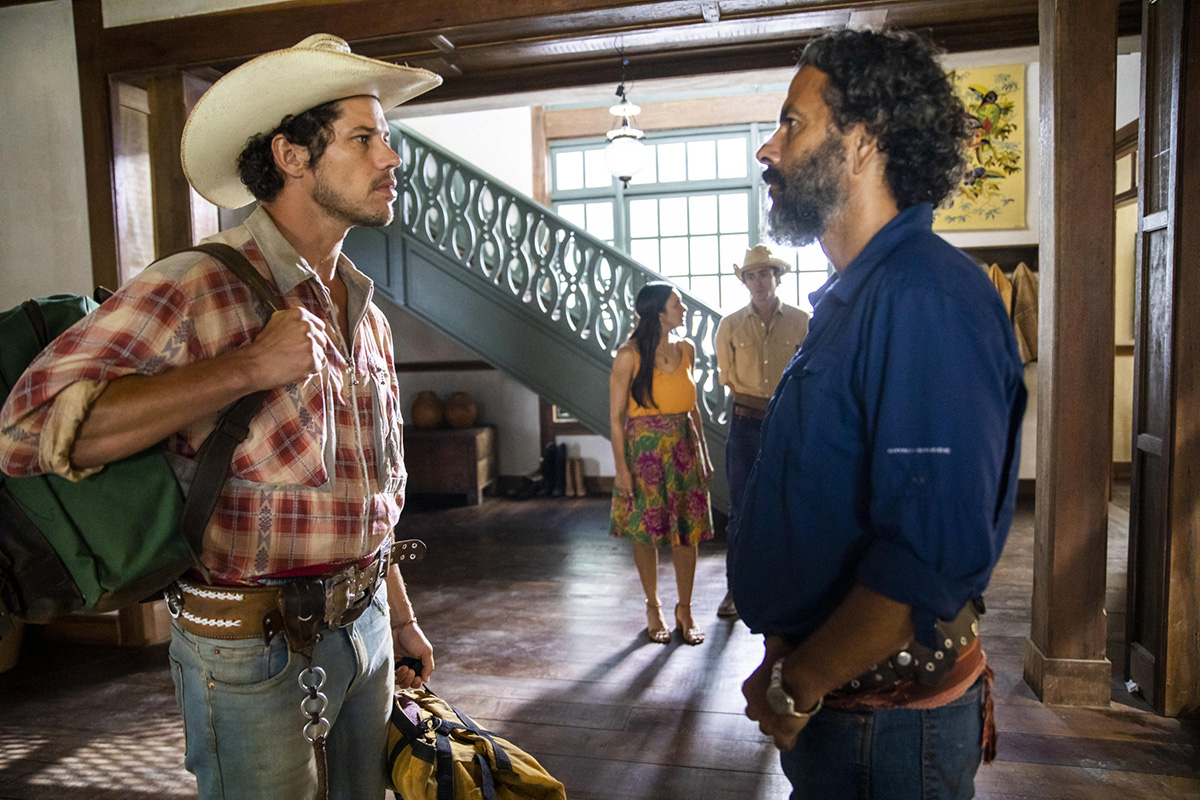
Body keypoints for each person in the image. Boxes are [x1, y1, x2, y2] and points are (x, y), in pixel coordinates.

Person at [0, 34, 442, 800]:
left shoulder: (364, 313)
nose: (390, 158)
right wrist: (246, 367)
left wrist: (398, 619)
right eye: (365, 137)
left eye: (388, 139)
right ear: (293, 155)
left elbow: (367, 489)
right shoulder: (198, 284)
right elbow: (27, 431)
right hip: (250, 649)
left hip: (366, 627)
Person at [729, 28, 1026, 799]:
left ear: (862, 142)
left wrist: (799, 683)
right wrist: (787, 652)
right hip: (839, 706)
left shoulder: (922, 298)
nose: (769, 148)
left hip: (887, 733)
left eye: (792, 123)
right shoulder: (860, 297)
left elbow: (921, 557)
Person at [608, 282, 715, 646]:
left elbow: (694, 409)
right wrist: (621, 469)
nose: (683, 309)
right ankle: (652, 606)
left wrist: (703, 454)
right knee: (646, 532)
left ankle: (684, 609)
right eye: (677, 303)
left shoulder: (687, 350)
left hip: (684, 449)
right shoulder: (629, 355)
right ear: (658, 311)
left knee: (688, 534)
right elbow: (615, 418)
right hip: (645, 455)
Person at [714, 245, 809, 619]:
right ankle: (735, 592)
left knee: (791, 507)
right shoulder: (730, 325)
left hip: (789, 423)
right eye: (751, 275)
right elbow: (728, 378)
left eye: (765, 274)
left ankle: (791, 590)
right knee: (741, 511)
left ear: (777, 277)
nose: (758, 281)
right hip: (745, 423)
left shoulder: (803, 321)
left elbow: (810, 372)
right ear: (745, 282)